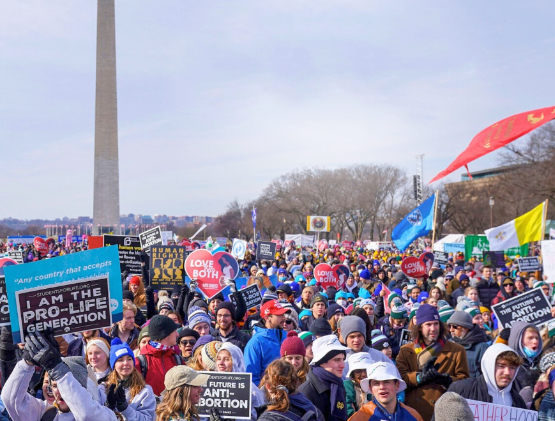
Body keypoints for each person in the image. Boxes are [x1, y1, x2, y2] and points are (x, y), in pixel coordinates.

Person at [2, 331, 118, 421]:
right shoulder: (45, 412)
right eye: (55, 386)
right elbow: (11, 400)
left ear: (81, 386)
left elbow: (86, 415)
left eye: (64, 386)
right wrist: (27, 363)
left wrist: (57, 370)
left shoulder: (104, 414)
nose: (59, 392)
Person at [396, 304, 469, 421]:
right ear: (419, 327)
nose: (433, 328)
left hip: (444, 412)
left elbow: (465, 382)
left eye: (436, 324)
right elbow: (399, 379)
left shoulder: (457, 350)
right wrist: (419, 378)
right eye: (428, 324)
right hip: (413, 413)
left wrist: (447, 380)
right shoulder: (406, 350)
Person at [447, 343, 526, 408]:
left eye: (512, 368)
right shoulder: (461, 390)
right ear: (489, 365)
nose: (507, 372)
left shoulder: (518, 402)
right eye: (501, 366)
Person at [99, 338, 156, 420]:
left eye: (129, 359)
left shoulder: (145, 391)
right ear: (113, 365)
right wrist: (108, 407)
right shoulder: (102, 389)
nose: (126, 363)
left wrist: (125, 408)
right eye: (120, 360)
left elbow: (148, 419)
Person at [349, 361, 423, 421]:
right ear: (371, 388)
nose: (382, 387)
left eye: (386, 381)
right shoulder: (361, 417)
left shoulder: (413, 415)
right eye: (376, 383)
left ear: (397, 385)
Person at [298, 335, 348, 421]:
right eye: (337, 360)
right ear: (321, 362)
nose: (343, 365)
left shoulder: (338, 385)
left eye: (343, 359)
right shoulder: (306, 391)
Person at [136, 314, 185, 396]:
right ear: (165, 335)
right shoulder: (140, 362)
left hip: (174, 408)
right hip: (151, 408)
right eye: (174, 331)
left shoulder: (178, 360)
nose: (177, 334)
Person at [215, 342, 265, 420]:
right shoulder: (211, 386)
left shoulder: (251, 389)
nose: (221, 363)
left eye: (226, 359)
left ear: (236, 362)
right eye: (219, 359)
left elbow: (260, 417)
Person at [244, 299, 289, 385]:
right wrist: (263, 395)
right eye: (279, 315)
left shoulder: (287, 336)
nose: (284, 318)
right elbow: (251, 377)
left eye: (283, 314)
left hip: (290, 393)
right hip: (267, 395)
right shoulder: (255, 343)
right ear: (267, 317)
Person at [508, 321, 544, 407]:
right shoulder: (510, 365)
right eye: (530, 338)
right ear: (518, 341)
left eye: (537, 338)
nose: (535, 341)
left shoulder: (543, 362)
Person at [447, 311, 489, 378]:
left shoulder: (482, 348)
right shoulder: (450, 345)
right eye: (449, 326)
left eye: (454, 326)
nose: (451, 330)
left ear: (465, 328)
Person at [344, 353, 373, 417]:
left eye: (366, 370)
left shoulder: (377, 384)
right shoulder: (348, 385)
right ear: (352, 373)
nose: (363, 374)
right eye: (358, 371)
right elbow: (348, 408)